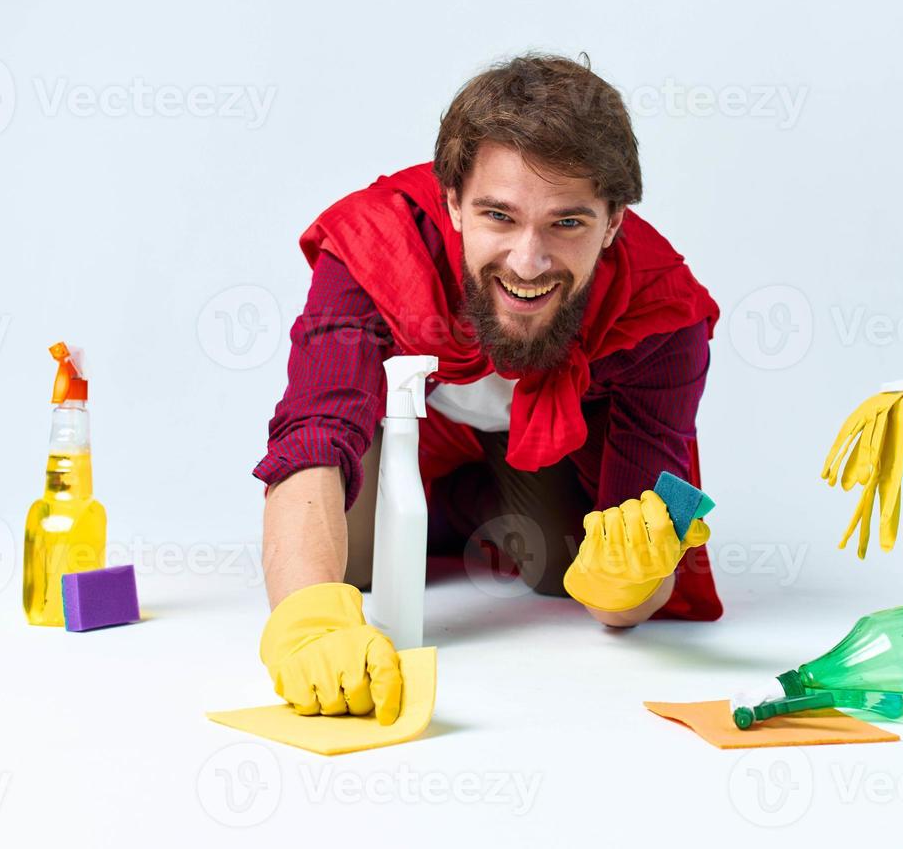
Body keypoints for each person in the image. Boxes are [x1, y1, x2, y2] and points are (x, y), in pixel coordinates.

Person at [253, 54, 722, 724]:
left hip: (544, 461)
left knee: (562, 571)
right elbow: (313, 430)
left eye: (568, 223)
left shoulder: (660, 307)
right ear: (452, 202)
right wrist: (307, 624)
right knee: (349, 568)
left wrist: (630, 585)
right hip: (403, 440)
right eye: (499, 216)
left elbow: (643, 555)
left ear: (614, 222)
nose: (528, 263)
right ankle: (437, 521)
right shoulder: (375, 241)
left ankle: (475, 514)